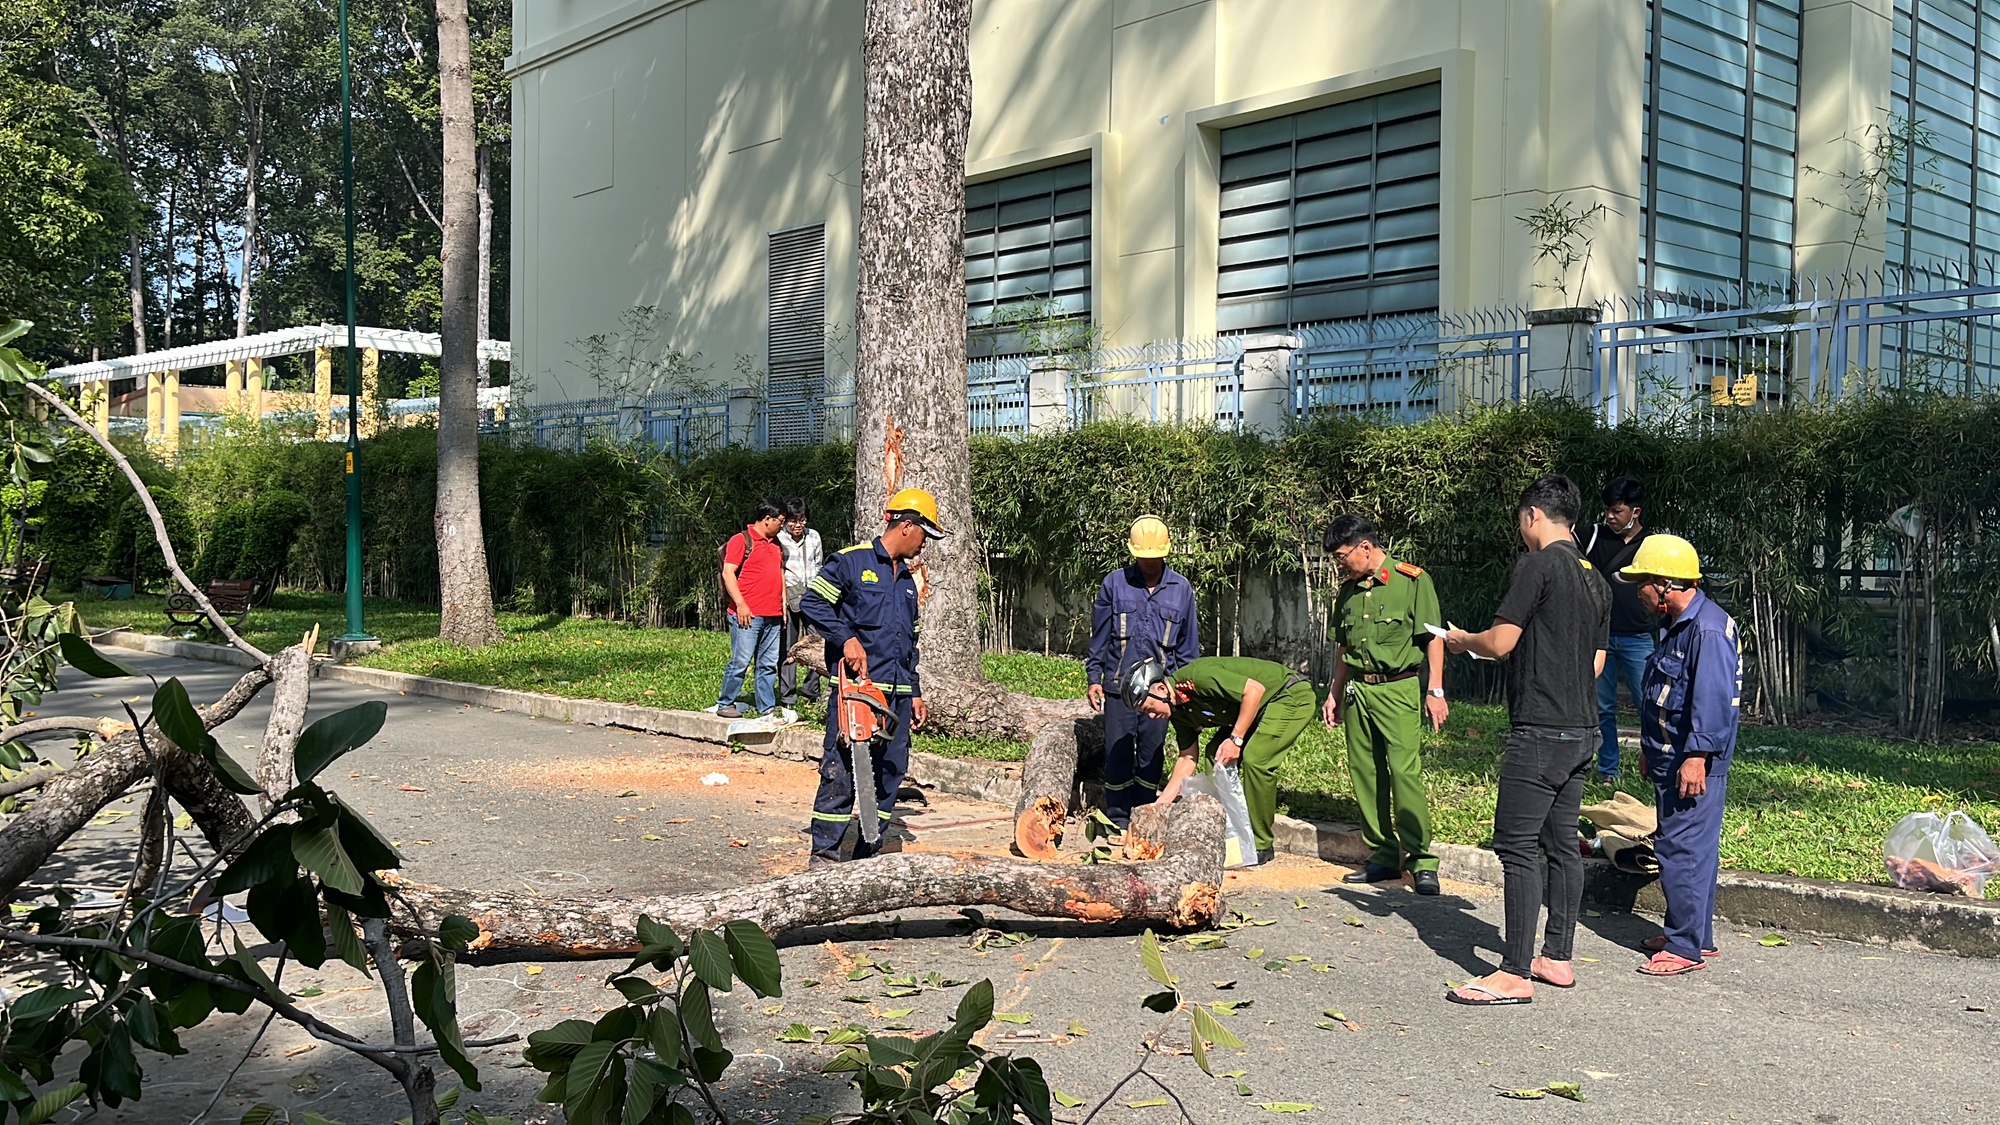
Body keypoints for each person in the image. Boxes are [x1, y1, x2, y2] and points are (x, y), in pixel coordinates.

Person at [1444, 475, 1609, 1006]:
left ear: (1533, 515)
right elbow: (1597, 663)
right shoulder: (1596, 579)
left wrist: (1459, 640)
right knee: (1562, 846)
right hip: (1583, 730)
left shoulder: (1536, 566)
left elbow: (1499, 642)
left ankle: (1513, 971)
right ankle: (1556, 957)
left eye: (1521, 518)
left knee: (1516, 846)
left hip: (1538, 730)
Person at [798, 487, 942, 864]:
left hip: (896, 699)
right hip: (857, 694)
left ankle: (867, 856)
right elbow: (811, 601)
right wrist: (845, 638)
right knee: (841, 774)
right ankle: (824, 857)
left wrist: (914, 693)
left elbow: (909, 644)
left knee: (890, 775)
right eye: (926, 534)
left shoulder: (908, 582)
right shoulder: (851, 562)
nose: (925, 544)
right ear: (908, 526)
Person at [1617, 534, 1740, 975]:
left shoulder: (1706, 629)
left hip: (1691, 760)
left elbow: (1711, 698)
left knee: (1680, 848)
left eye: (1642, 584)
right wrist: (1653, 748)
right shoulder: (1681, 623)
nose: (1638, 593)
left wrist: (1696, 756)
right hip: (1672, 754)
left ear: (1666, 584)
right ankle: (1696, 936)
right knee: (1695, 848)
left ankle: (1683, 946)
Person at [1320, 514, 1448, 896]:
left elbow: (1434, 638)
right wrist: (1335, 691)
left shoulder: (1412, 581)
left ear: (1365, 547)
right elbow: (1344, 647)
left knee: (1403, 772)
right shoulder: (1348, 590)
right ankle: (1382, 853)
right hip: (1360, 691)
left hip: (1399, 688)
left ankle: (1422, 861)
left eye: (1342, 556)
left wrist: (1435, 689)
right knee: (1366, 773)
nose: (1340, 563)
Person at [1130, 655, 1316, 865]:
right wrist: (1159, 807)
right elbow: (1187, 758)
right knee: (1215, 754)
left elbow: (1254, 691)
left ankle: (1260, 844)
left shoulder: (1197, 678)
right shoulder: (1179, 713)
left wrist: (1236, 740)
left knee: (1256, 759)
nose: (1152, 717)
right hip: (1257, 709)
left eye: (1149, 708)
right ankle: (1232, 834)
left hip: (1287, 695)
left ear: (1162, 690)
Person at [1085, 515, 1200, 831]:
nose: (1150, 563)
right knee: (1118, 752)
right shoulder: (1114, 583)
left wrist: (1184, 692)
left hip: (1160, 693)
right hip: (1119, 688)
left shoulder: (1181, 590)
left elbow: (1188, 649)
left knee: (1151, 754)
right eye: (1144, 558)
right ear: (1134, 554)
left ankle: (1146, 817)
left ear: (1165, 553)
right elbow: (1100, 636)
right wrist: (1094, 678)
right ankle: (1118, 818)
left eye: (1155, 557)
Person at [1581, 476, 1657, 784]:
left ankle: (1655, 764)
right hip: (1600, 637)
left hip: (1639, 637)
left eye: (1617, 511)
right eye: (1607, 511)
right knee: (1604, 708)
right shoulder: (1593, 536)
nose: (1610, 517)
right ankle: (1607, 770)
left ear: (1635, 512)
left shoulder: (1652, 544)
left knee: (1651, 705)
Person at [714, 500, 786, 719]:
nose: (782, 526)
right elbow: (728, 573)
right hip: (747, 614)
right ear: (767, 519)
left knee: (767, 664)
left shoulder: (776, 544)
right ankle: (726, 702)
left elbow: (779, 574)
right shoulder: (741, 540)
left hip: (773, 614)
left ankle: (767, 707)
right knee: (741, 661)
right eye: (780, 521)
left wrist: (783, 604)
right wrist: (741, 604)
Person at [777, 497, 825, 707]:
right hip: (788, 596)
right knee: (788, 645)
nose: (797, 525)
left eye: (802, 520)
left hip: (812, 595)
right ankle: (788, 695)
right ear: (785, 521)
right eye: (793, 520)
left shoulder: (814, 536)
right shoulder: (778, 538)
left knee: (818, 640)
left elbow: (819, 564)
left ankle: (811, 690)